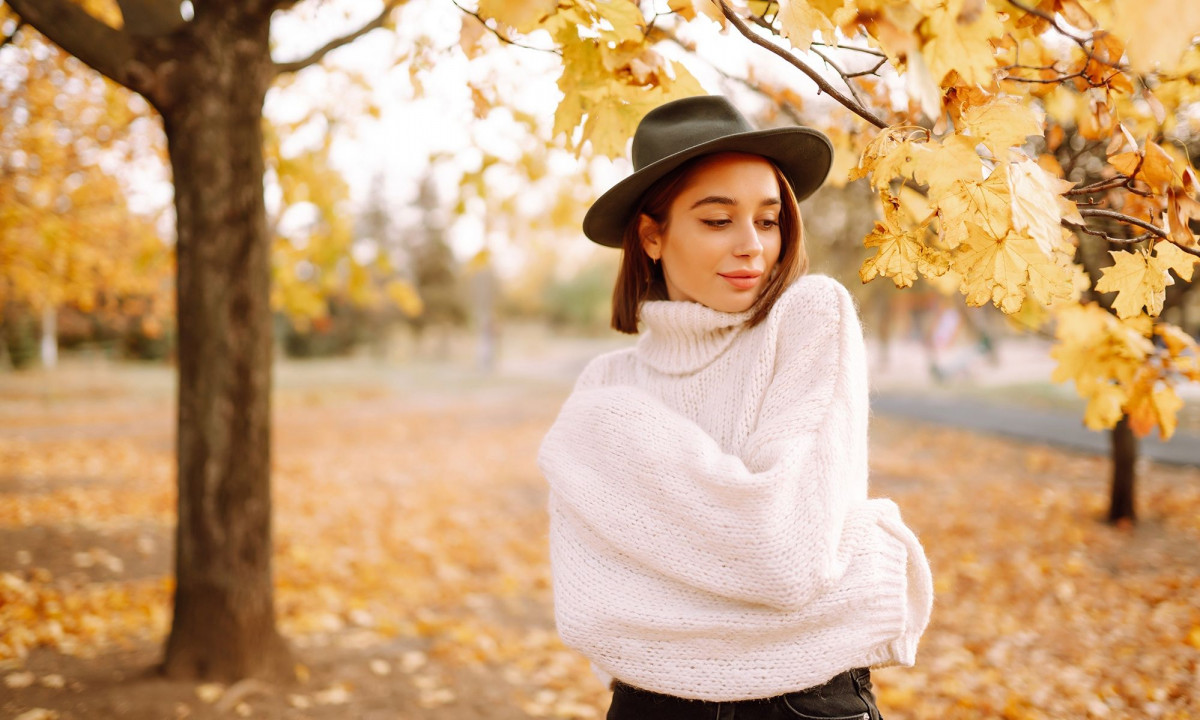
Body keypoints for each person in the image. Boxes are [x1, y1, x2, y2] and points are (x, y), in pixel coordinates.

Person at [537, 95, 934, 720]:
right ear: (652, 236)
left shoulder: (809, 318)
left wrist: (670, 595)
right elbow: (594, 612)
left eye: (768, 221)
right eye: (718, 221)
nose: (752, 246)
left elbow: (783, 555)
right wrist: (864, 564)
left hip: (801, 708)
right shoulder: (602, 393)